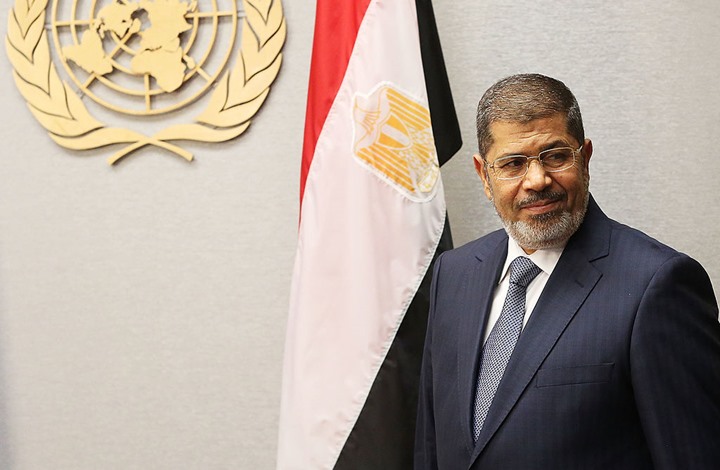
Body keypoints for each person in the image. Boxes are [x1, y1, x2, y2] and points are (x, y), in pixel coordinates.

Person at [414, 73, 720, 469]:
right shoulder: (453, 274)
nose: (537, 180)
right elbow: (431, 448)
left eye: (555, 156)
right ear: (484, 176)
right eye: (512, 164)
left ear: (585, 158)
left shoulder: (658, 284)